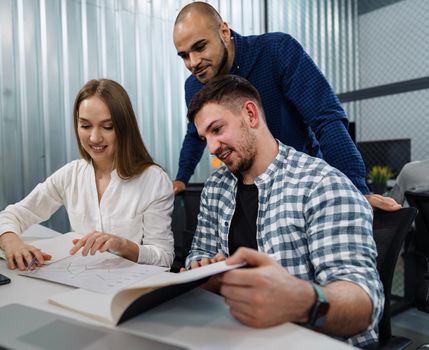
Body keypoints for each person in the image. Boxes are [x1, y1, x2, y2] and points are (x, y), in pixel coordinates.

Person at [184, 75, 383, 347]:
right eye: (204, 137)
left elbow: (364, 304)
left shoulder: (321, 184)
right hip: (235, 334)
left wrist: (302, 300)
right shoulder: (215, 187)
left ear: (251, 114)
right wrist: (203, 269)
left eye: (217, 130)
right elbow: (199, 253)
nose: (212, 148)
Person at [171, 1, 399, 212]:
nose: (193, 63)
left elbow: (326, 119)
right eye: (184, 56)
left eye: (200, 47)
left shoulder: (277, 51)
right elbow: (194, 135)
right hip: (250, 194)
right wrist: (181, 178)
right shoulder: (194, 88)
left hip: (302, 186)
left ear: (224, 32)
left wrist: (356, 191)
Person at [0, 79, 174, 270]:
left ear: (124, 128)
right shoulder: (71, 174)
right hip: (79, 286)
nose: (95, 138)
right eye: (85, 126)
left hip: (130, 291)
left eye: (108, 127)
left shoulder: (153, 180)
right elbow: (10, 216)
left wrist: (123, 245)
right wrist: (12, 243)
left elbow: (164, 257)